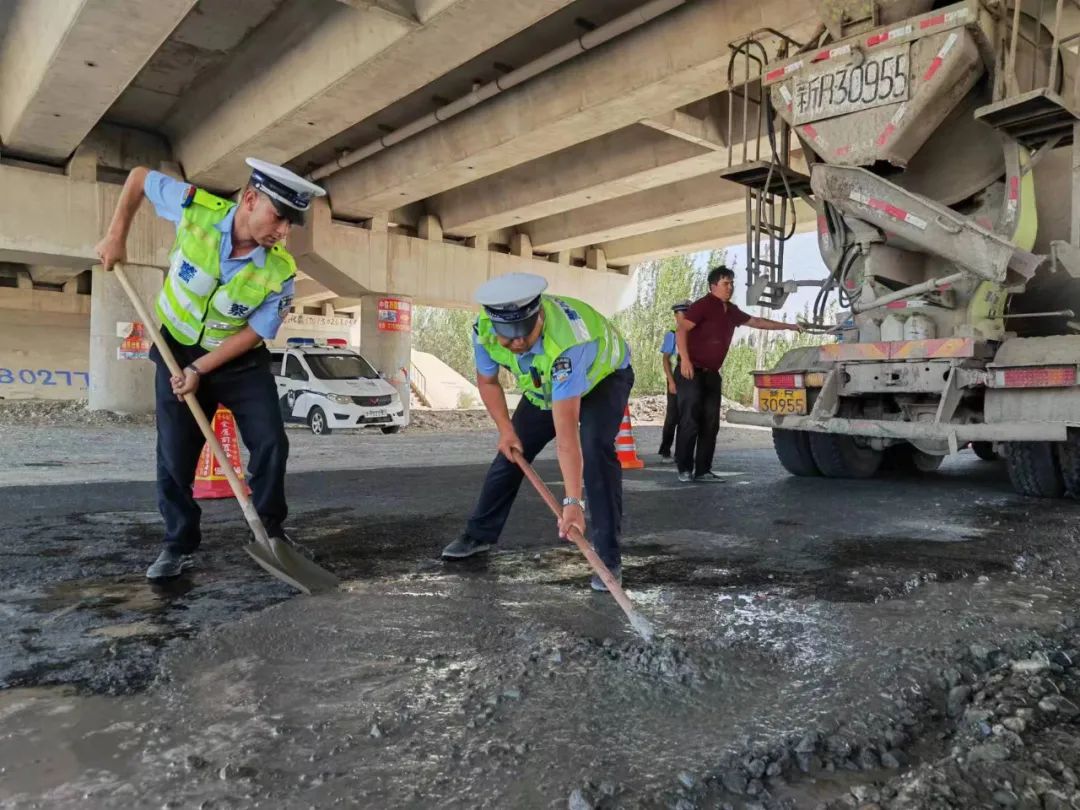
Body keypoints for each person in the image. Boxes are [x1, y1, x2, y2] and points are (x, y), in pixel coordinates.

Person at [94, 158, 325, 579]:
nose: (283, 232)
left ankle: (270, 531)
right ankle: (178, 543)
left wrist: (201, 367)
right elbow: (140, 178)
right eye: (279, 218)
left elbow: (256, 331)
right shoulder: (194, 208)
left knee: (272, 442)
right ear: (250, 199)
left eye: (291, 224)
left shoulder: (280, 270)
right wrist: (116, 234)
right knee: (174, 456)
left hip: (237, 362)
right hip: (174, 351)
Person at [441, 273, 635, 591]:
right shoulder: (484, 330)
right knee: (512, 452)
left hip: (603, 377)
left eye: (525, 333)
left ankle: (607, 558)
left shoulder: (568, 343)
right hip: (543, 384)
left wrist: (573, 502)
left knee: (595, 447)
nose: (517, 342)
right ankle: (478, 534)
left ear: (539, 315)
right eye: (509, 335)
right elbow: (488, 382)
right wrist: (505, 429)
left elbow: (566, 434)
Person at [675, 265, 801, 483]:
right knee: (690, 420)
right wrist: (685, 360)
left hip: (712, 374)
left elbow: (758, 322)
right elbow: (681, 329)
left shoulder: (731, 310)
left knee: (711, 422)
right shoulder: (702, 306)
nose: (730, 287)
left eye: (732, 283)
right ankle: (684, 468)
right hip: (691, 371)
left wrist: (788, 326)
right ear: (713, 286)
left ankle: (703, 470)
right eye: (725, 283)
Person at [658, 300, 690, 462]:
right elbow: (666, 360)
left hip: (691, 378)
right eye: (679, 314)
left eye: (684, 313)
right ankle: (665, 450)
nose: (681, 317)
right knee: (672, 417)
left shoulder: (694, 334)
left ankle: (681, 453)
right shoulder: (672, 334)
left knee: (687, 417)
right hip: (676, 377)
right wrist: (671, 381)